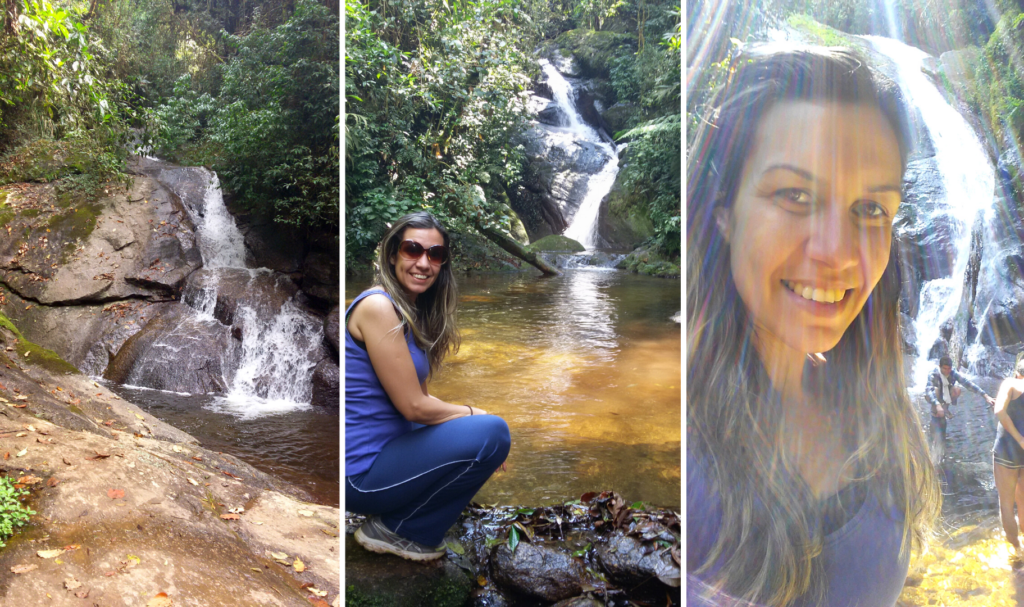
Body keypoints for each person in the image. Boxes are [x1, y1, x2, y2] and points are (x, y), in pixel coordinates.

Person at [687, 45, 940, 606]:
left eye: (871, 209)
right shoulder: (688, 455)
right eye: (796, 195)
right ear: (723, 210)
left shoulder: (878, 415)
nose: (838, 252)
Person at [346, 211, 511, 561]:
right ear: (393, 255)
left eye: (435, 254)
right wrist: (477, 418)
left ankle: (405, 521)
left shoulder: (409, 312)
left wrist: (470, 432)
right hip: (360, 474)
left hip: (386, 460)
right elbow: (414, 408)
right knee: (493, 430)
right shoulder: (378, 306)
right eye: (412, 250)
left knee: (484, 433)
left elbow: (418, 399)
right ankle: (400, 528)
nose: (424, 262)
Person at [924, 355, 995, 465]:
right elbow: (928, 390)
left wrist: (985, 396)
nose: (947, 371)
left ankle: (945, 409)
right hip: (934, 397)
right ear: (940, 367)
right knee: (935, 391)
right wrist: (937, 404)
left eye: (949, 369)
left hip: (946, 397)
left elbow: (968, 384)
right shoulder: (933, 373)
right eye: (944, 369)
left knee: (957, 389)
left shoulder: (953, 373)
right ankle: (937, 411)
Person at [991, 358, 1024, 561]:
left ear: (1017, 373)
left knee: (1006, 503)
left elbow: (999, 410)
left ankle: (1017, 552)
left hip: (1007, 449)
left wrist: (1019, 438)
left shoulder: (1010, 383)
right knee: (1023, 501)